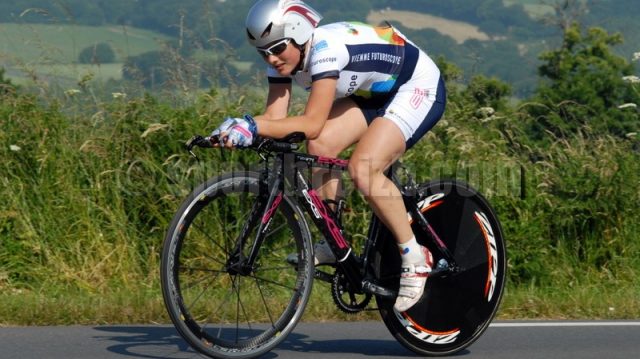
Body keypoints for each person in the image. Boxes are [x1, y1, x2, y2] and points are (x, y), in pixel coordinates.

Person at [210, 0, 446, 312]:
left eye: (278, 48)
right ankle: (334, 240)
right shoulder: (282, 57)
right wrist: (239, 127)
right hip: (372, 93)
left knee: (364, 169)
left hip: (415, 86)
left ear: (298, 33)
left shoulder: (326, 51)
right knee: (319, 147)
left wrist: (253, 126)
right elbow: (275, 115)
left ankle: (415, 257)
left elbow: (311, 123)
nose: (271, 57)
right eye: (263, 51)